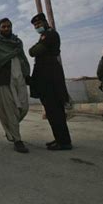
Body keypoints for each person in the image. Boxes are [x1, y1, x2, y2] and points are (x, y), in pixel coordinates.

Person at [0, 18, 30, 153]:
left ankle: (10, 129)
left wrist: (26, 73)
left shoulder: (18, 43)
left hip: (19, 78)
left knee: (24, 108)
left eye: (8, 26)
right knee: (11, 111)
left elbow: (23, 58)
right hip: (5, 80)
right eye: (3, 27)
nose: (6, 29)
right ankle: (17, 140)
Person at [28, 13, 72, 150]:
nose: (37, 26)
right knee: (51, 112)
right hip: (46, 75)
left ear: (45, 22)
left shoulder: (50, 34)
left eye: (39, 24)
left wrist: (35, 47)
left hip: (50, 76)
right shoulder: (45, 35)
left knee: (55, 111)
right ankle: (59, 139)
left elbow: (33, 51)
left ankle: (64, 142)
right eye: (35, 25)